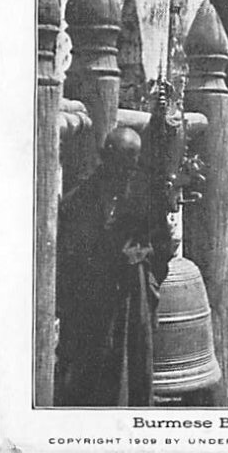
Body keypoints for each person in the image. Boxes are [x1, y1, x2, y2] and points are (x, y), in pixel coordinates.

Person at [55, 127, 175, 407]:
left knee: (135, 358)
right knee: (94, 360)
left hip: (134, 293)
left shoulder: (146, 196)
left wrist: (145, 269)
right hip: (93, 296)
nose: (126, 168)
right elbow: (68, 253)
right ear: (104, 157)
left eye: (132, 160)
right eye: (120, 160)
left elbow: (162, 246)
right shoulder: (79, 199)